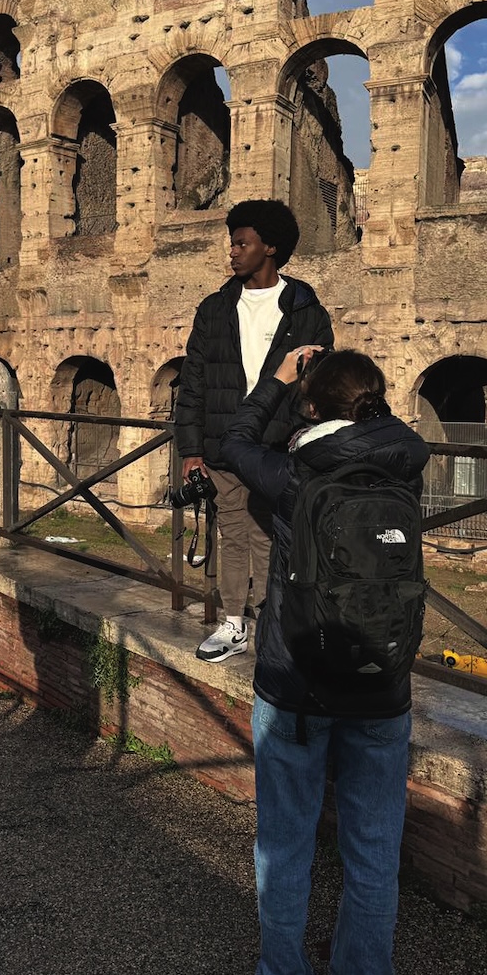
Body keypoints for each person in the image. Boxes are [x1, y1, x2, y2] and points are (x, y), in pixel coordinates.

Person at [221, 346, 429, 975]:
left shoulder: (293, 474)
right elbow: (369, 426)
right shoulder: (405, 465)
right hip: (382, 684)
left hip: (295, 684)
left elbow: (233, 440)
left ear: (311, 406)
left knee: (285, 843)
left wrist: (277, 382)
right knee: (374, 847)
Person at [174, 200, 333, 662]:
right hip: (224, 444)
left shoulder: (306, 310)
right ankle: (232, 623)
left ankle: (270, 621)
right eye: (233, 243)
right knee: (233, 534)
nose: (233, 252)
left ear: (270, 248)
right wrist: (191, 450)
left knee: (270, 534)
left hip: (277, 448)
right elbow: (194, 383)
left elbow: (316, 385)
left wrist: (300, 438)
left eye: (242, 243)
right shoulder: (214, 309)